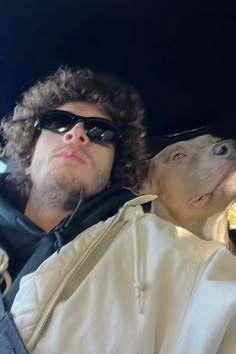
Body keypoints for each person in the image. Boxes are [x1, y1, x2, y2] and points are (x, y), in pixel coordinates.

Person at [0, 67, 236, 354]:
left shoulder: (179, 262)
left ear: (115, 169)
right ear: (27, 152)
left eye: (100, 132)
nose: (76, 133)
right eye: (58, 121)